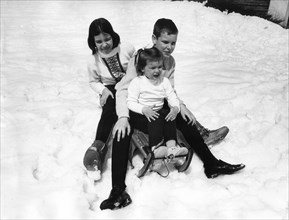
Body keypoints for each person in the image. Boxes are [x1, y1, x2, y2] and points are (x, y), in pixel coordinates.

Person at [100, 18, 245, 210]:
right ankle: (117, 190)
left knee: (181, 116)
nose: (169, 47)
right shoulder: (141, 58)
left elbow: (169, 90)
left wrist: (181, 106)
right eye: (165, 42)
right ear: (154, 39)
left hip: (157, 107)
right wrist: (123, 117)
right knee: (122, 131)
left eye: (173, 43)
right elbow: (124, 90)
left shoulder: (170, 61)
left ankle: (211, 164)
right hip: (137, 106)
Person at [83, 18, 135, 174]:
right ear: (93, 42)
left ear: (113, 35)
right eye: (99, 41)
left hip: (130, 82)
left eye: (107, 39)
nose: (104, 44)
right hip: (110, 87)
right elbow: (93, 81)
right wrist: (103, 91)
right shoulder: (93, 60)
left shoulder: (126, 48)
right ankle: (98, 146)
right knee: (109, 111)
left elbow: (139, 62)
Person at [127, 47, 188, 160]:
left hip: (158, 113)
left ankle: (171, 147)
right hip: (141, 116)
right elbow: (130, 102)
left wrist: (175, 108)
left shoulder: (164, 81)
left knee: (169, 116)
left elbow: (171, 96)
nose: (157, 71)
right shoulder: (137, 82)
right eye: (152, 68)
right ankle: (156, 147)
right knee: (157, 118)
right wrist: (144, 109)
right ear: (142, 69)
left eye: (160, 67)